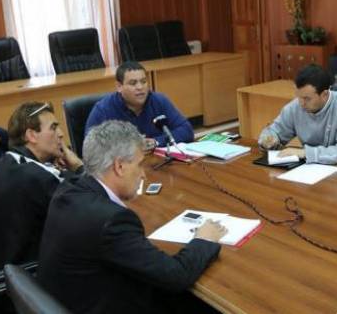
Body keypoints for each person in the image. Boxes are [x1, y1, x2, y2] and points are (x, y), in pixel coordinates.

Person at [37, 120, 226, 313]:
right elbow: (176, 276)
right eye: (139, 165)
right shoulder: (111, 221)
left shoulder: (68, 190)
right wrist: (204, 238)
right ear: (119, 166)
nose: (143, 175)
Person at [0, 101, 84, 277]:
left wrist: (54, 168)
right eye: (53, 128)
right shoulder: (35, 176)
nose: (61, 134)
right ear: (31, 135)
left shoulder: (9, 160)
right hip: (21, 282)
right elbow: (90, 201)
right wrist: (78, 166)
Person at [258, 64, 337, 164]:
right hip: (311, 170)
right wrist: (268, 139)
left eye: (307, 98)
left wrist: (305, 153)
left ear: (324, 94)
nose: (301, 103)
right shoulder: (295, 107)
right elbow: (274, 131)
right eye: (298, 96)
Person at [85, 61, 194, 148]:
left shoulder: (158, 100)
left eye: (143, 81)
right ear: (119, 87)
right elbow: (90, 146)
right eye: (133, 83)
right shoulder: (103, 109)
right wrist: (131, 148)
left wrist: (156, 142)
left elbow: (186, 130)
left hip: (156, 163)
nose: (140, 87)